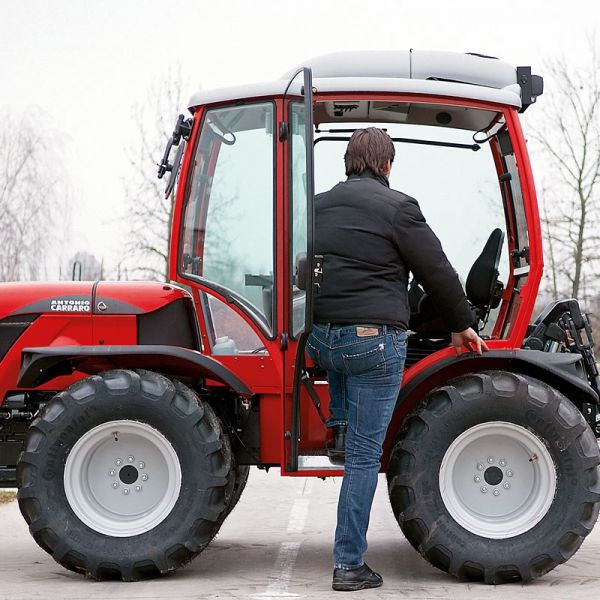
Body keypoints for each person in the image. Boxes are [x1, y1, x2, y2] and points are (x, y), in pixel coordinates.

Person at [305, 127, 488, 592]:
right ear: (387, 165)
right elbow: (436, 269)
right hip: (372, 342)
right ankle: (349, 564)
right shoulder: (398, 207)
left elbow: (301, 271)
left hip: (321, 340)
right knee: (365, 456)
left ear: (348, 162)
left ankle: (340, 429)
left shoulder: (316, 206)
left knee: (343, 362)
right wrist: (462, 322)